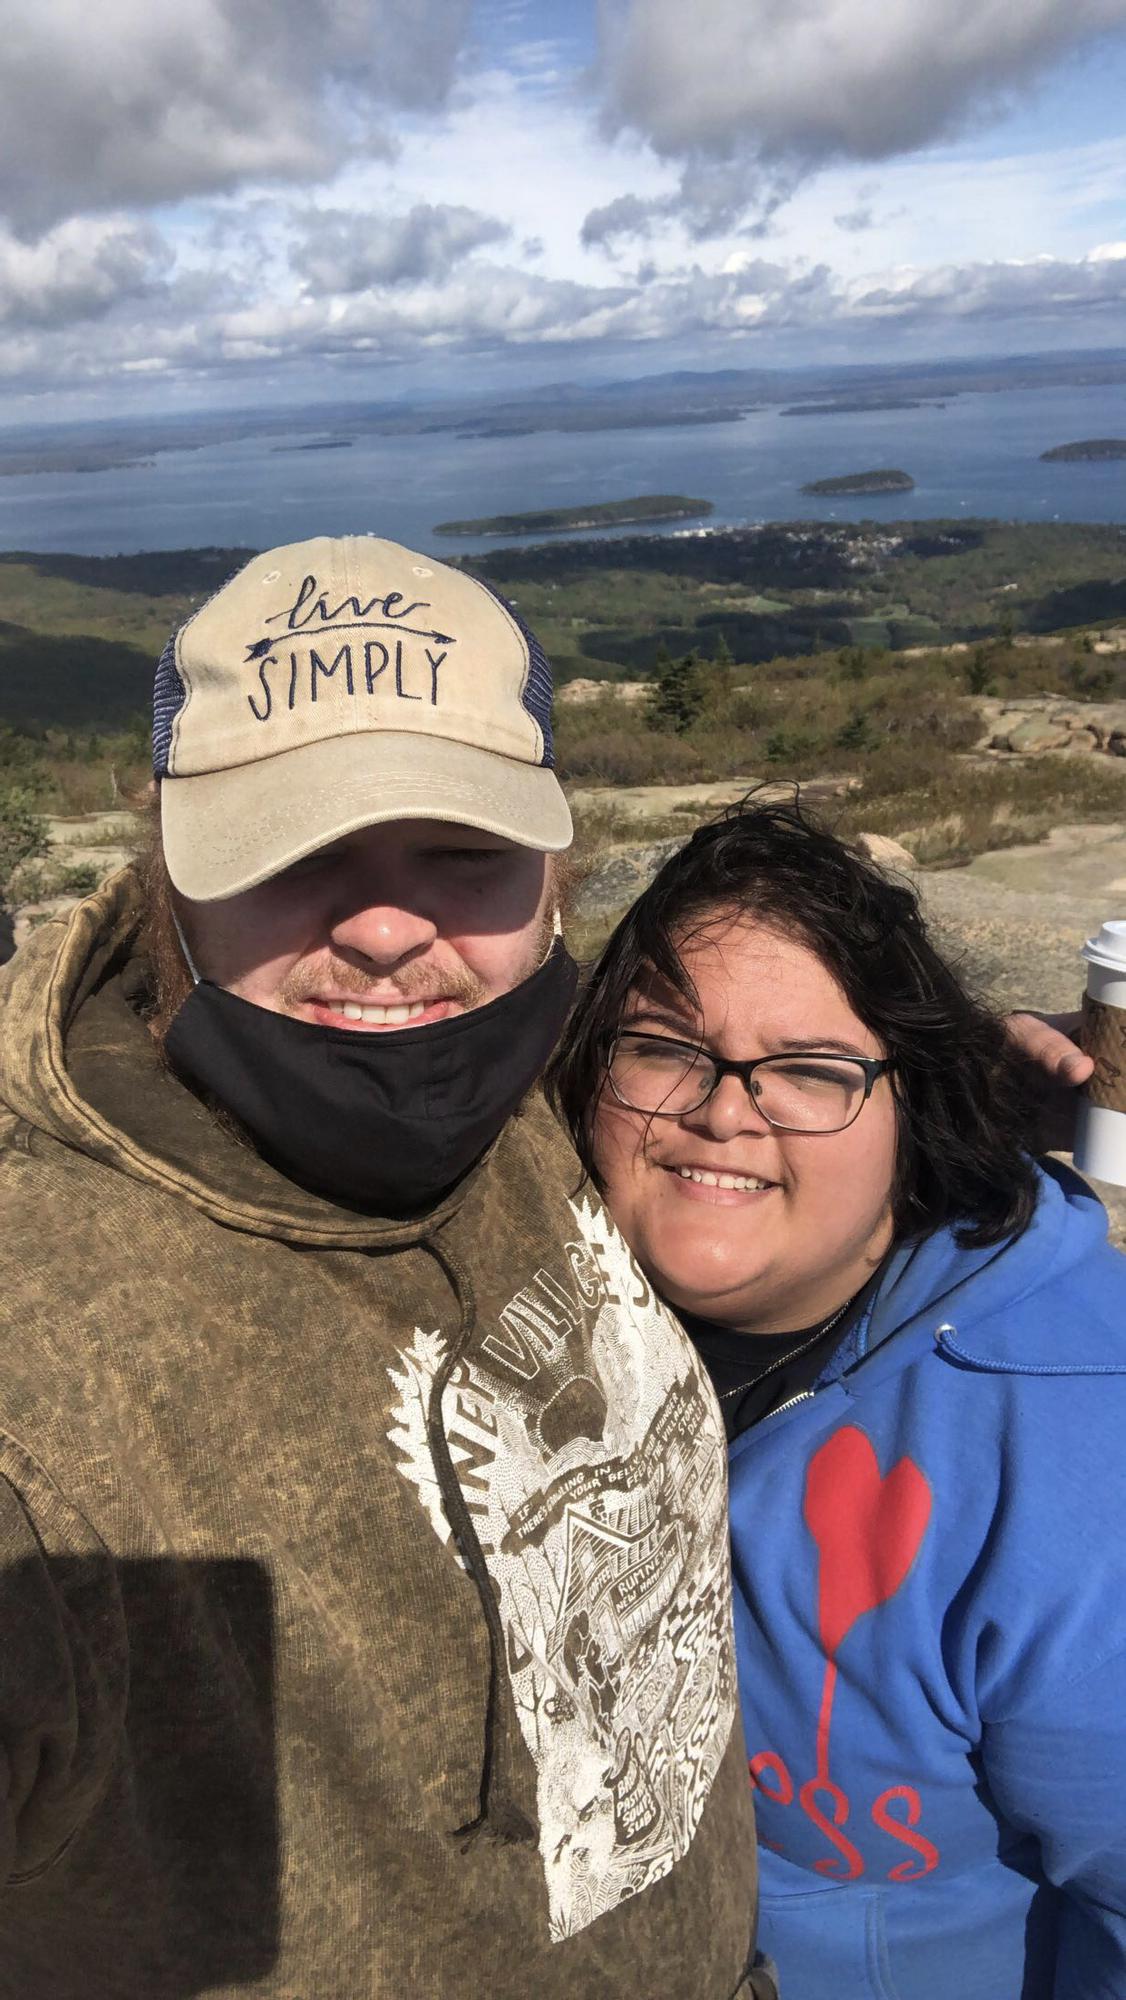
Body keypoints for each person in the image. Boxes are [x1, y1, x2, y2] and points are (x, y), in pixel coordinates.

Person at [0, 538, 772, 1998]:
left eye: (462, 852)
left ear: (554, 878)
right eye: (297, 853)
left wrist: (965, 1106)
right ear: (166, 875)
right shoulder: (38, 1373)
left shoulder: (533, 1091)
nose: (384, 926)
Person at [551, 797, 1126, 2000]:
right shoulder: (528, 1291)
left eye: (811, 1071)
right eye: (664, 1047)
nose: (722, 1109)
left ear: (911, 1103)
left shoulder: (1072, 1447)